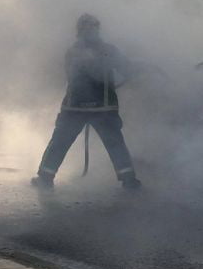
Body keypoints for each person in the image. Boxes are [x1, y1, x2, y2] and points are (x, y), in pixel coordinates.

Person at [32, 14, 141, 190]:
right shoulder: (109, 50)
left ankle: (45, 178)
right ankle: (128, 181)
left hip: (75, 108)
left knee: (60, 142)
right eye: (89, 28)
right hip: (102, 108)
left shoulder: (72, 51)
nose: (90, 31)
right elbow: (126, 69)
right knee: (115, 144)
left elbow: (70, 75)